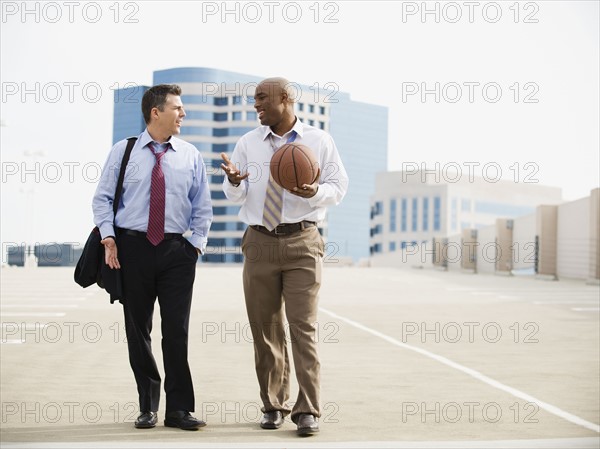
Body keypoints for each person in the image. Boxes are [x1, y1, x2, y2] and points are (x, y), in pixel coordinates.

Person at [221, 77, 349, 436]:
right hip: (259, 241)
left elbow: (339, 188)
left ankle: (308, 409)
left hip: (302, 241)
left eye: (262, 98)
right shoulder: (248, 142)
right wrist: (233, 181)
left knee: (302, 327)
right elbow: (238, 195)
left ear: (286, 99)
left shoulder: (318, 141)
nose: (256, 105)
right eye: (255, 99)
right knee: (266, 330)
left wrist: (315, 192)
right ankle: (273, 404)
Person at [92, 84, 213, 430]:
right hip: (132, 250)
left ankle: (179, 410)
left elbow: (202, 206)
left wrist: (196, 245)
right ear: (155, 112)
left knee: (177, 331)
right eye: (177, 108)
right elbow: (101, 198)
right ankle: (147, 405)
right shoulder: (123, 151)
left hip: (178, 251)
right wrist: (109, 237)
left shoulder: (190, 154)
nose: (183, 114)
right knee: (138, 331)